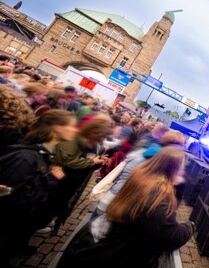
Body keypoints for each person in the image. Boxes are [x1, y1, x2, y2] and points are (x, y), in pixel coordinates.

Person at [56, 146, 195, 268]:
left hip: (90, 247)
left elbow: (164, 216)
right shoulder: (156, 194)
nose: (183, 172)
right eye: (181, 168)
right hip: (100, 258)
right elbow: (170, 237)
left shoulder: (143, 177)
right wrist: (190, 227)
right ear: (172, 169)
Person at [0, 109, 77, 264]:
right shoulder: (27, 157)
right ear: (57, 128)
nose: (75, 130)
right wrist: (50, 179)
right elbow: (8, 195)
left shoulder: (43, 152)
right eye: (71, 126)